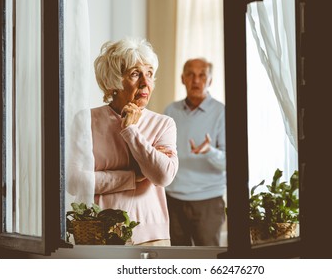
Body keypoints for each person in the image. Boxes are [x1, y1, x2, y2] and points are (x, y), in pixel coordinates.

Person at [67, 37, 179, 246]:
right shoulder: (85, 120)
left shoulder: (164, 124)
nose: (146, 83)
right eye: (135, 74)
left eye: (150, 73)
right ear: (114, 82)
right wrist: (132, 177)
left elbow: (163, 176)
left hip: (152, 237)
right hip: (98, 233)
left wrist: (131, 131)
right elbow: (75, 182)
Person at [164, 58, 226, 246]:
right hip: (172, 199)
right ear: (182, 78)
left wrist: (209, 151)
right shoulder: (170, 110)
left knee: (208, 260)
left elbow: (229, 162)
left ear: (210, 81)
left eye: (202, 75)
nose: (196, 80)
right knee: (177, 260)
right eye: (190, 74)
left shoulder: (221, 112)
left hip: (207, 200)